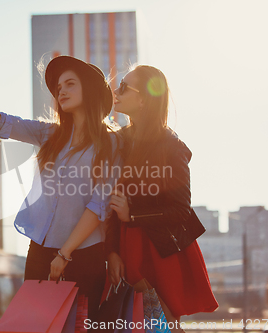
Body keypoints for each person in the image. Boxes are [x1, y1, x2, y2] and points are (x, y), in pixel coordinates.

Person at [0, 52, 121, 319]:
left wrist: (65, 254)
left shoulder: (111, 144)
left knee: (80, 327)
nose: (61, 91)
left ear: (91, 89)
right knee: (36, 324)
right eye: (59, 87)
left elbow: (98, 205)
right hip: (41, 252)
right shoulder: (50, 134)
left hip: (85, 256)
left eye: (70, 84)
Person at [105, 65, 218, 326]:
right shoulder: (117, 142)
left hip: (160, 249)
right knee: (130, 321)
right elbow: (110, 201)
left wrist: (132, 213)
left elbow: (180, 210)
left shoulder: (172, 146)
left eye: (124, 86)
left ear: (143, 100)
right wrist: (111, 252)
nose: (116, 91)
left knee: (161, 324)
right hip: (125, 244)